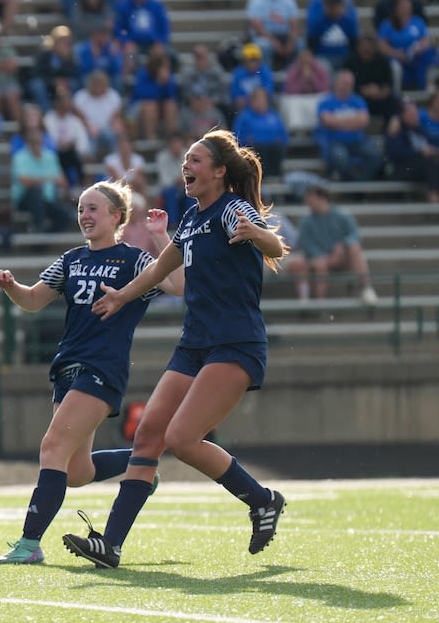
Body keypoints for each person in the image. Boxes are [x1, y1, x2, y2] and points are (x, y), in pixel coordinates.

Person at [62, 129, 289, 569]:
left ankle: (263, 500)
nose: (186, 165)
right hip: (195, 345)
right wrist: (121, 296)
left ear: (220, 172)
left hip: (234, 342)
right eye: (185, 159)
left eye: (196, 160)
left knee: (182, 440)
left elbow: (275, 244)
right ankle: (110, 545)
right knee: (147, 436)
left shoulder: (232, 210)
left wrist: (256, 235)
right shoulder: (190, 219)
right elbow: (159, 272)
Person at [0, 180, 182, 565]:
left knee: (51, 448)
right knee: (77, 471)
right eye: (81, 209)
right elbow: (32, 300)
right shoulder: (71, 259)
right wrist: (11, 287)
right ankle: (140, 465)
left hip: (101, 367)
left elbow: (178, 284)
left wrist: (162, 236)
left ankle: (29, 545)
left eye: (93, 208)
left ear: (117, 217)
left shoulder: (134, 259)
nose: (85, 215)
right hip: (67, 367)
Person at [288, 184, 377, 305]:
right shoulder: (306, 222)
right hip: (318, 259)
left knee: (354, 249)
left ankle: (366, 288)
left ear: (321, 198)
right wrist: (325, 257)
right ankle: (320, 304)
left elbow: (354, 236)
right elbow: (307, 245)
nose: (307, 200)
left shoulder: (343, 215)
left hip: (342, 257)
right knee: (320, 264)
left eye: (310, 197)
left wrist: (342, 246)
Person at [10, 110, 73, 233]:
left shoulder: (50, 156)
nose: (37, 145)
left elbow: (62, 180)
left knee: (67, 215)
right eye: (33, 143)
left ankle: (44, 237)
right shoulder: (20, 157)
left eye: (38, 142)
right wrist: (48, 179)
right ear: (28, 143)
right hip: (25, 199)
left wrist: (61, 182)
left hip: (47, 199)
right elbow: (24, 181)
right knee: (35, 193)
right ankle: (38, 228)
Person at [315, 69, 381, 181]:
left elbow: (364, 121)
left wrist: (338, 122)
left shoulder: (358, 100)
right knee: (341, 159)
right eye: (344, 83)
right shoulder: (326, 102)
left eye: (350, 84)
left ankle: (359, 184)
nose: (347, 86)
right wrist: (353, 122)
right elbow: (327, 121)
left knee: (376, 155)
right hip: (335, 142)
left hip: (358, 141)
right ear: (336, 83)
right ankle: (351, 184)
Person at [384, 98, 439, 203]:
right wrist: (421, 152)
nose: (415, 115)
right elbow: (395, 153)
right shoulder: (397, 130)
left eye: (415, 112)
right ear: (402, 115)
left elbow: (431, 144)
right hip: (404, 168)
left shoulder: (420, 129)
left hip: (423, 167)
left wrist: (437, 150)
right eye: (411, 113)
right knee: (429, 161)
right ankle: (432, 193)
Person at [377, 0, 438, 92]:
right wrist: (396, 53)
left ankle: (428, 85)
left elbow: (426, 40)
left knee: (430, 53)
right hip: (395, 57)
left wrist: (419, 47)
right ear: (396, 8)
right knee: (394, 66)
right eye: (402, 7)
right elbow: (382, 46)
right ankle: (395, 91)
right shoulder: (388, 24)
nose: (405, 9)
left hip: (415, 56)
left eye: (407, 7)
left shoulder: (418, 22)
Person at [246, 0, 300, 71]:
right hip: (264, 36)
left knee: (299, 45)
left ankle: (291, 77)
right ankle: (267, 76)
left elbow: (294, 25)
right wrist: (273, 42)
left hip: (284, 35)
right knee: (264, 47)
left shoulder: (288, 0)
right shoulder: (256, 0)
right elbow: (257, 27)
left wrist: (291, 42)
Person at [233, 87, 288, 179]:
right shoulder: (244, 116)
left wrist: (281, 140)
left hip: (273, 147)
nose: (261, 102)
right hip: (254, 148)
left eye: (263, 99)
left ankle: (275, 176)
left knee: (276, 149)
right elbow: (236, 135)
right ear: (252, 101)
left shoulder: (274, 115)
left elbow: (283, 134)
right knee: (259, 151)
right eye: (257, 99)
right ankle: (261, 177)